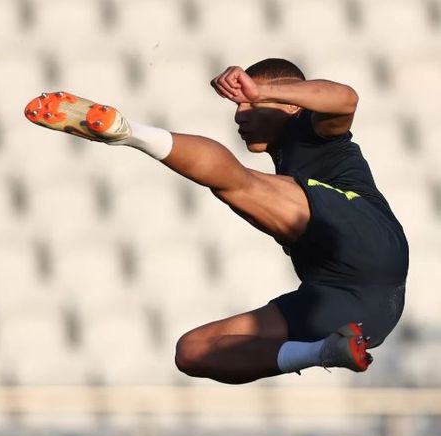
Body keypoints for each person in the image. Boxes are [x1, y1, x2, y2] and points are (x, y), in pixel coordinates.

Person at [24, 58, 408, 384]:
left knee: (235, 184)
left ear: (290, 105)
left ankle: (131, 134)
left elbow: (346, 98)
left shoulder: (313, 130)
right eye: (238, 106)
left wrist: (263, 91)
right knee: (194, 351)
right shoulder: (290, 153)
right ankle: (324, 352)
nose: (240, 115)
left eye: (248, 106)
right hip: (355, 309)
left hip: (368, 241)